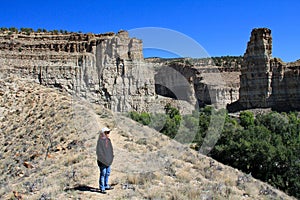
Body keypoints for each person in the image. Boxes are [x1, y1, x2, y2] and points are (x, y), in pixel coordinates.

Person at [96, 127, 114, 194]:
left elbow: (110, 150)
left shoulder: (108, 140)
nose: (108, 134)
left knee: (107, 173)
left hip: (108, 161)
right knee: (103, 173)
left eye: (108, 132)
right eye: (107, 132)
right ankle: (102, 187)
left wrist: (111, 157)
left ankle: (106, 185)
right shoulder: (100, 141)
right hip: (103, 161)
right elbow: (99, 152)